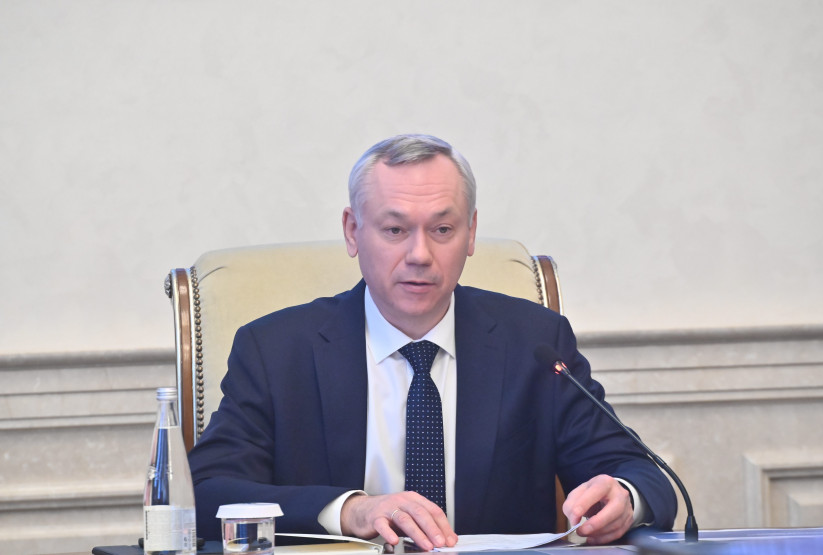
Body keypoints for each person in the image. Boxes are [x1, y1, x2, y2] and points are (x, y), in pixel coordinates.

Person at [188, 134, 677, 551]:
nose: (420, 254)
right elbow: (206, 494)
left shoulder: (534, 343)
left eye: (442, 229)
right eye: (395, 230)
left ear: (471, 233)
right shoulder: (277, 351)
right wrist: (351, 511)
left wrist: (623, 498)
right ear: (353, 232)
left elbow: (640, 474)